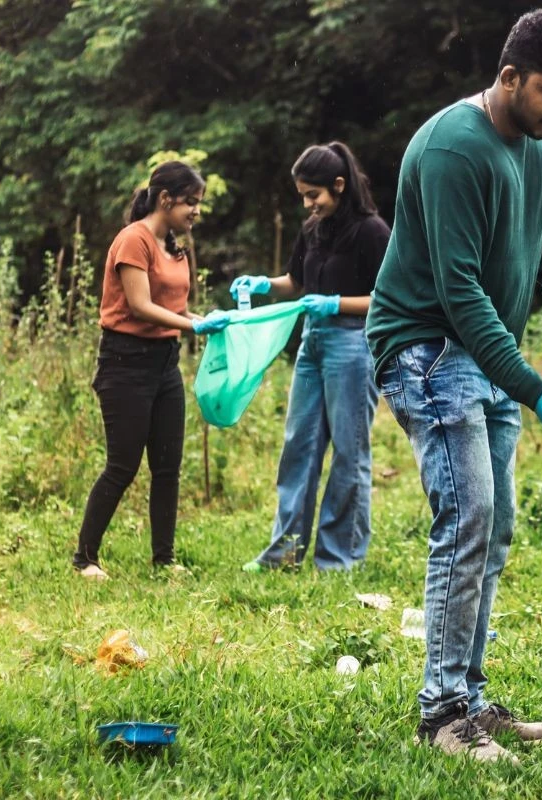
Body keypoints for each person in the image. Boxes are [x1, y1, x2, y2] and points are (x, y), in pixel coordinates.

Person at [365, 5, 542, 764]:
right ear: (510, 76)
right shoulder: (452, 149)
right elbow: (459, 291)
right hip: (426, 347)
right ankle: (441, 716)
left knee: (493, 530)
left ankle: (469, 697)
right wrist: (535, 387)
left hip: (483, 354)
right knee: (469, 521)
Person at [230, 142, 389, 573]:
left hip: (353, 345)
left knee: (348, 452)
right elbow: (295, 281)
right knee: (298, 447)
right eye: (302, 195)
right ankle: (284, 553)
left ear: (338, 185)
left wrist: (336, 303)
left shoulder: (373, 232)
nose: (307, 204)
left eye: (313, 194)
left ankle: (338, 557)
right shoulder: (313, 228)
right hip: (312, 343)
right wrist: (264, 284)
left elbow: (387, 299)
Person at [73, 161, 231, 580]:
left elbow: (175, 309)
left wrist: (204, 320)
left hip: (165, 364)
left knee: (167, 467)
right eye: (190, 202)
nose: (196, 211)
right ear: (165, 198)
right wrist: (193, 327)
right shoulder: (134, 240)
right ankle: (85, 558)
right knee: (122, 465)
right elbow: (141, 306)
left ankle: (164, 559)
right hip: (125, 363)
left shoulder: (173, 246)